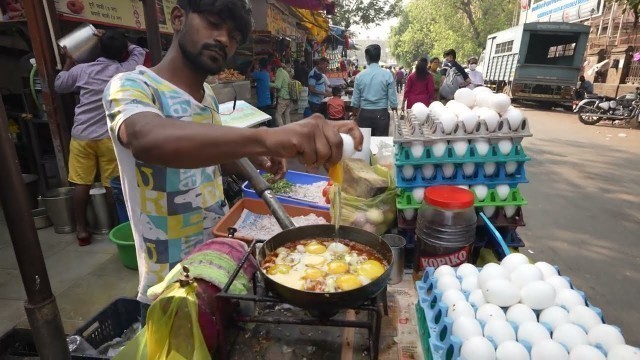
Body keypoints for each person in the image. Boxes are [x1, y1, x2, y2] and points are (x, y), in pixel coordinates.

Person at [103, 0, 363, 323]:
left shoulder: (208, 96)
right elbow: (146, 139)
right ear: (178, 18)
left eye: (235, 36)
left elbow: (206, 154)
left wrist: (252, 157)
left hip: (218, 272)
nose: (224, 40)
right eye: (213, 23)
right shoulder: (131, 87)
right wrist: (266, 138)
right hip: (168, 288)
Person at [55, 29, 146, 246]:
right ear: (122, 52)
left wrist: (70, 60)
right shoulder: (123, 70)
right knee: (112, 185)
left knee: (80, 183)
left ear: (98, 49)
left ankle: (82, 230)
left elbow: (59, 84)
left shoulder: (82, 70)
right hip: (108, 137)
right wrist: (126, 44)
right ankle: (117, 228)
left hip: (81, 136)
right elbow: (140, 51)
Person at [351, 44, 398, 136]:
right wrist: (395, 113)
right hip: (382, 115)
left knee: (365, 145)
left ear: (367, 57)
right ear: (379, 57)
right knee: (380, 145)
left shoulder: (360, 76)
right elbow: (392, 99)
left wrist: (354, 115)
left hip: (364, 115)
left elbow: (355, 100)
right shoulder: (387, 75)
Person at [251, 58, 275, 123]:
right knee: (268, 122)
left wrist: (252, 65)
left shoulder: (259, 74)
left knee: (262, 123)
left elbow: (248, 75)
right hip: (268, 101)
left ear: (260, 65)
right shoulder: (266, 74)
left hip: (262, 103)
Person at [273, 59, 292, 126]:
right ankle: (288, 130)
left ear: (274, 66)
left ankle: (282, 130)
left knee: (277, 115)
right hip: (289, 96)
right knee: (286, 114)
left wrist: (267, 83)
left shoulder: (279, 72)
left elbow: (278, 85)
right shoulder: (285, 72)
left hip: (283, 97)